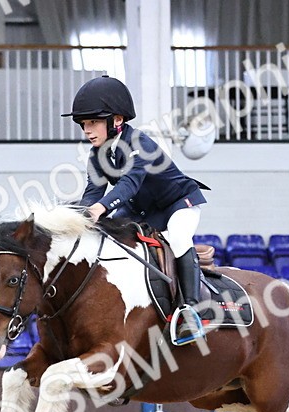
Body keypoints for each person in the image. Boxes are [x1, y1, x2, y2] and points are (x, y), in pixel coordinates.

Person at [63, 75, 210, 345]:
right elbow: (93, 193)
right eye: (84, 124)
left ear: (116, 120)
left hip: (177, 204)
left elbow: (130, 184)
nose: (87, 130)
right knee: (107, 240)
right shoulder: (97, 155)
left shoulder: (139, 144)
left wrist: (100, 209)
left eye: (93, 122)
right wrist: (76, 217)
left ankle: (190, 311)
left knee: (177, 237)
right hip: (141, 212)